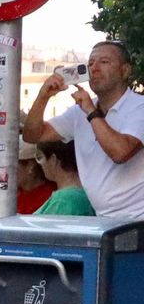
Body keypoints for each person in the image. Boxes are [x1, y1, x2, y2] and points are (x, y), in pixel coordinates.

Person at [25, 40, 144, 218]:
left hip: (138, 219)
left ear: (125, 70)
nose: (94, 68)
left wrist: (90, 111)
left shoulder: (139, 106)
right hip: (104, 219)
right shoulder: (79, 111)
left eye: (104, 62)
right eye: (90, 63)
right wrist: (43, 97)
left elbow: (120, 152)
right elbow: (33, 135)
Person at [34, 140, 93, 215]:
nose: (40, 164)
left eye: (40, 157)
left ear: (53, 160)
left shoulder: (64, 200)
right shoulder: (87, 191)